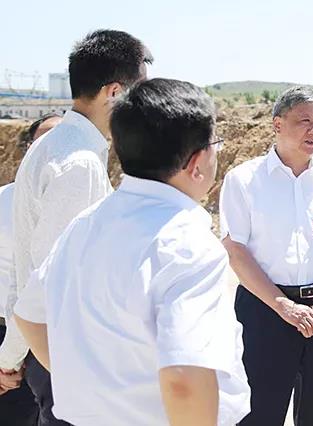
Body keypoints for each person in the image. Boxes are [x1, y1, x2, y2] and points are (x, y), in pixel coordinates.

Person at [13, 78, 250, 426]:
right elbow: (185, 379)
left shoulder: (85, 224)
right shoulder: (188, 244)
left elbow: (30, 316)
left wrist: (89, 387)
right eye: (215, 144)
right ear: (197, 162)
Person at [0, 29, 152, 425]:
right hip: (64, 354)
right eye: (139, 94)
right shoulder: (78, 163)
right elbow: (45, 277)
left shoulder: (58, 147)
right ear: (114, 92)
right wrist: (10, 356)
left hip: (55, 350)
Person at [220, 86, 313, 426]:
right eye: (304, 121)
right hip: (264, 312)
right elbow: (236, 252)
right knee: (258, 414)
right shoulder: (244, 180)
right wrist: (283, 306)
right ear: (277, 124)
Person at [0, 113, 62, 425]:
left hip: (54, 341)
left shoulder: (89, 206)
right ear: (28, 150)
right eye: (44, 139)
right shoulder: (1, 201)